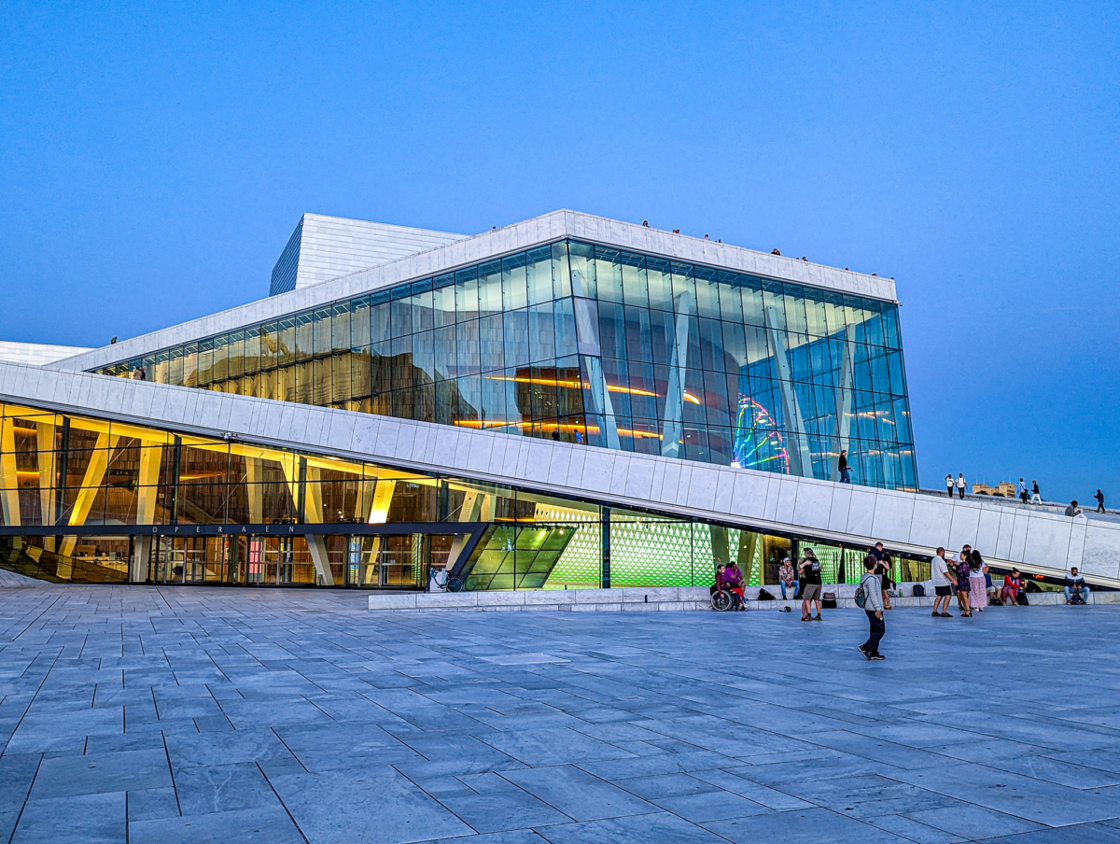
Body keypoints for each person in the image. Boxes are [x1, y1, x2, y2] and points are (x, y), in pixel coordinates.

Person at [857, 556, 886, 660]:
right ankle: (866, 647)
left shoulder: (865, 577)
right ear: (874, 565)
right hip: (873, 608)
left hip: (869, 607)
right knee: (881, 630)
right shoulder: (871, 579)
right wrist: (878, 609)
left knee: (874, 630)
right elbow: (873, 595)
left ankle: (873, 652)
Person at [799, 548, 824, 622]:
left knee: (807, 599)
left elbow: (801, 567)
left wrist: (805, 563)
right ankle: (819, 615)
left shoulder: (807, 561)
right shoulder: (816, 560)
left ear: (807, 554)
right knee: (816, 599)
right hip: (818, 582)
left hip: (811, 582)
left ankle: (808, 616)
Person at [931, 547, 954, 617]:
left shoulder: (934, 560)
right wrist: (952, 580)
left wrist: (946, 564)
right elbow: (945, 572)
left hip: (936, 581)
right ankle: (944, 611)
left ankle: (934, 611)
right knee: (948, 596)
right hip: (943, 582)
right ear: (942, 552)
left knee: (939, 596)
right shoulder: (941, 561)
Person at [951, 547, 973, 616]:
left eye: (961, 555)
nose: (960, 556)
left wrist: (955, 567)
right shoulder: (962, 564)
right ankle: (965, 610)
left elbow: (960, 572)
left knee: (964, 596)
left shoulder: (965, 564)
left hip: (964, 582)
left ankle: (967, 610)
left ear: (965, 556)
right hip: (961, 581)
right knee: (962, 596)